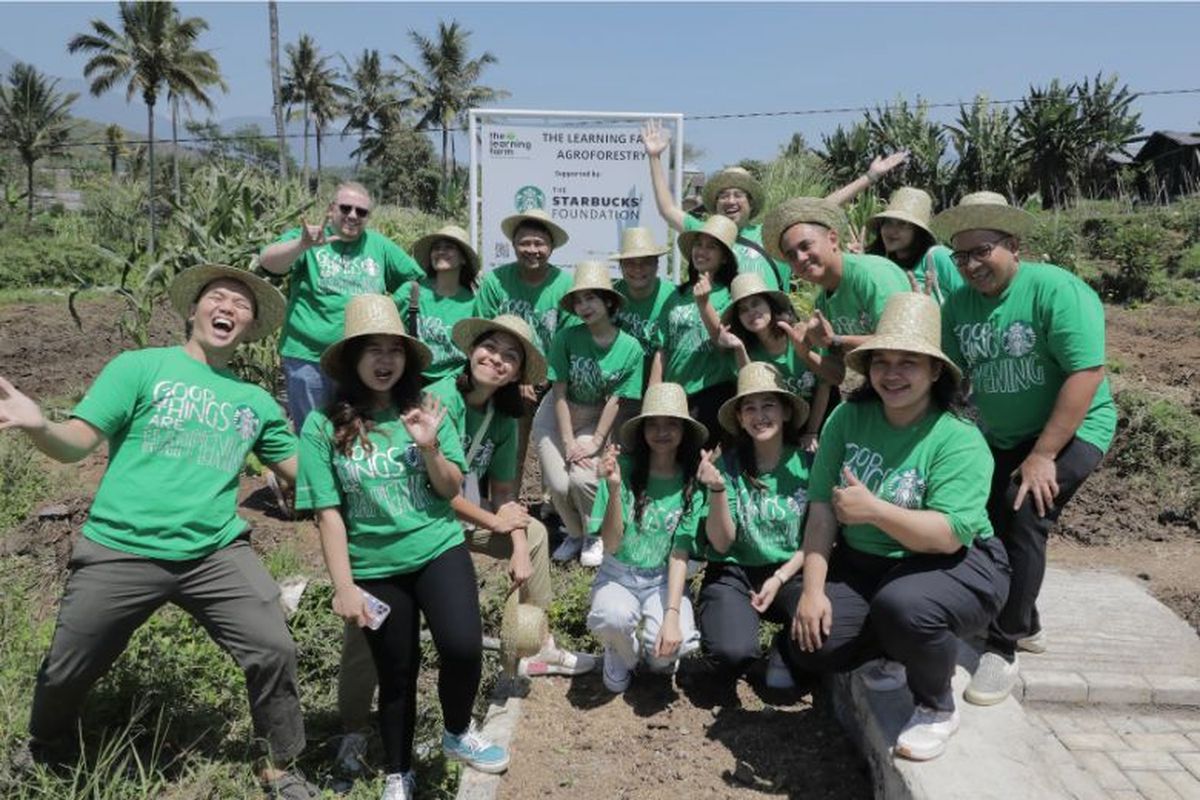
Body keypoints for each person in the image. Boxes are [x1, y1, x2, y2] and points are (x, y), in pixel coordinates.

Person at [0, 265, 319, 798]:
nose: (228, 308)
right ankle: (44, 746)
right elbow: (76, 442)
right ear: (192, 310)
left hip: (213, 552)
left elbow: (308, 477)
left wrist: (371, 453)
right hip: (120, 546)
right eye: (217, 298)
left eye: (241, 306)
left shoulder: (256, 403)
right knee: (65, 669)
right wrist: (39, 425)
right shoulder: (141, 368)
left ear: (250, 327)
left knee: (273, 648)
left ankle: (280, 765)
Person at [295, 294, 508, 800]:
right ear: (352, 359)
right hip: (374, 566)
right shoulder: (322, 427)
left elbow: (451, 488)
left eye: (394, 349)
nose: (385, 360)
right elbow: (329, 514)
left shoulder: (428, 409)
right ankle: (398, 769)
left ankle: (457, 733)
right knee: (396, 672)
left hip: (437, 548)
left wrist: (429, 444)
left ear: (407, 358)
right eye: (372, 349)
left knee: (462, 647)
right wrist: (344, 586)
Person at [789, 292, 1010, 762]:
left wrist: (874, 511)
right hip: (870, 563)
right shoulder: (848, 418)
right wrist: (812, 591)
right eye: (882, 361)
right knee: (812, 640)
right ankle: (897, 645)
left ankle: (935, 704)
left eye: (909, 362)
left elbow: (949, 534)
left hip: (957, 563)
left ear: (935, 372)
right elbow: (822, 510)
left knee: (905, 606)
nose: (892, 373)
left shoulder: (958, 438)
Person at [932, 192, 1117, 706]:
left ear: (1013, 245)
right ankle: (1025, 620)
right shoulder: (959, 303)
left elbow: (1086, 373)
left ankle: (1004, 645)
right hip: (1005, 436)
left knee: (1027, 513)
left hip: (1075, 429)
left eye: (982, 251)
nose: (971, 265)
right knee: (984, 518)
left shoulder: (1056, 290)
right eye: (960, 256)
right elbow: (948, 374)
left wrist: (1044, 455)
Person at [641, 118, 908, 291]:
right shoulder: (706, 234)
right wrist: (655, 158)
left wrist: (869, 177)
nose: (730, 201)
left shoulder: (770, 237)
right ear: (715, 202)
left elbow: (820, 207)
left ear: (750, 202)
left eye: (738, 195)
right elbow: (668, 209)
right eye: (723, 195)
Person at [259, 181, 423, 429]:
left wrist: (388, 305)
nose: (353, 216)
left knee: (354, 431)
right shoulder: (307, 238)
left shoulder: (378, 245)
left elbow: (415, 279)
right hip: (308, 358)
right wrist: (302, 245)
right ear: (331, 209)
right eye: (346, 208)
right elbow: (269, 263)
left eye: (361, 212)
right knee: (313, 431)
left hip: (358, 360)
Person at [691, 362, 811, 690]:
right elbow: (721, 543)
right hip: (734, 572)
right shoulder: (726, 466)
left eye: (768, 405)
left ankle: (784, 649)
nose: (760, 415)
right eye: (750, 408)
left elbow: (817, 538)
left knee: (825, 633)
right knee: (731, 654)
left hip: (791, 571)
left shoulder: (808, 465)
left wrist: (781, 576)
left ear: (786, 411)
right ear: (740, 419)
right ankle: (751, 656)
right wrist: (716, 490)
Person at [587, 382, 706, 692]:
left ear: (684, 430)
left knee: (666, 654)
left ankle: (654, 654)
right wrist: (614, 490)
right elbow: (611, 545)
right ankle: (621, 652)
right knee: (612, 618)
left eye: (671, 424)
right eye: (653, 423)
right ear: (641, 430)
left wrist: (671, 616)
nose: (661, 431)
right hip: (618, 573)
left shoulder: (692, 482)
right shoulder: (622, 471)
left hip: (664, 579)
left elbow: (680, 553)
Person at [534, 262, 645, 566]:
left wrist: (596, 441)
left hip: (596, 416)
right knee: (558, 483)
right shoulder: (567, 338)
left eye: (591, 299)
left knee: (585, 478)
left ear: (608, 301)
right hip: (556, 415)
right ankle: (574, 533)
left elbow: (616, 401)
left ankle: (594, 533)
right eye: (578, 301)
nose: (584, 307)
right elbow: (557, 392)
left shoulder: (631, 348)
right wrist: (569, 442)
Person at [762, 197, 911, 387]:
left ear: (833, 239)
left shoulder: (872, 275)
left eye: (806, 246)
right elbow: (839, 375)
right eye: (791, 255)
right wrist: (805, 353)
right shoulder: (822, 303)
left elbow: (902, 341)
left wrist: (836, 341)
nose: (800, 258)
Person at [474, 208, 575, 484]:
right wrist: (515, 377)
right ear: (513, 245)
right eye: (524, 242)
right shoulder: (496, 281)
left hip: (552, 378)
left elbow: (568, 340)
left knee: (549, 449)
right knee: (504, 444)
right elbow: (484, 333)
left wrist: (538, 376)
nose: (532, 249)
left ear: (551, 247)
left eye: (539, 243)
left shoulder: (565, 284)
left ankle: (546, 508)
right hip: (502, 376)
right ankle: (495, 501)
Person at [650, 214, 740, 447]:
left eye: (711, 247)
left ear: (724, 258)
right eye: (698, 245)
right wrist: (653, 395)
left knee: (698, 461)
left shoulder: (732, 294)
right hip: (674, 395)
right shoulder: (676, 295)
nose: (701, 251)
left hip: (711, 393)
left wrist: (704, 304)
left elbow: (722, 342)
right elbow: (663, 348)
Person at [716, 272, 831, 452]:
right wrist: (738, 347)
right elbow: (751, 391)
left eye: (756, 304)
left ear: (771, 305)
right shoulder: (743, 351)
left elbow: (825, 385)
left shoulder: (800, 336)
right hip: (774, 430)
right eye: (743, 310)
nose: (751, 312)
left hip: (819, 421)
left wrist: (812, 432)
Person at [397, 224, 480, 382]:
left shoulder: (473, 304)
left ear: (463, 258)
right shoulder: (411, 292)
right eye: (436, 248)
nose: (441, 252)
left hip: (455, 385)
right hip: (414, 382)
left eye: (449, 247)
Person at [865, 187, 963, 303]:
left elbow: (971, 299)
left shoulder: (938, 257)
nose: (892, 230)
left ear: (918, 231)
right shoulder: (886, 266)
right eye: (888, 222)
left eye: (902, 224)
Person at [610, 226, 675, 362]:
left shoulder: (674, 297)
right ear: (620, 266)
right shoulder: (609, 297)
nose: (638, 269)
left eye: (646, 262)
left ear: (657, 265)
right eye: (630, 263)